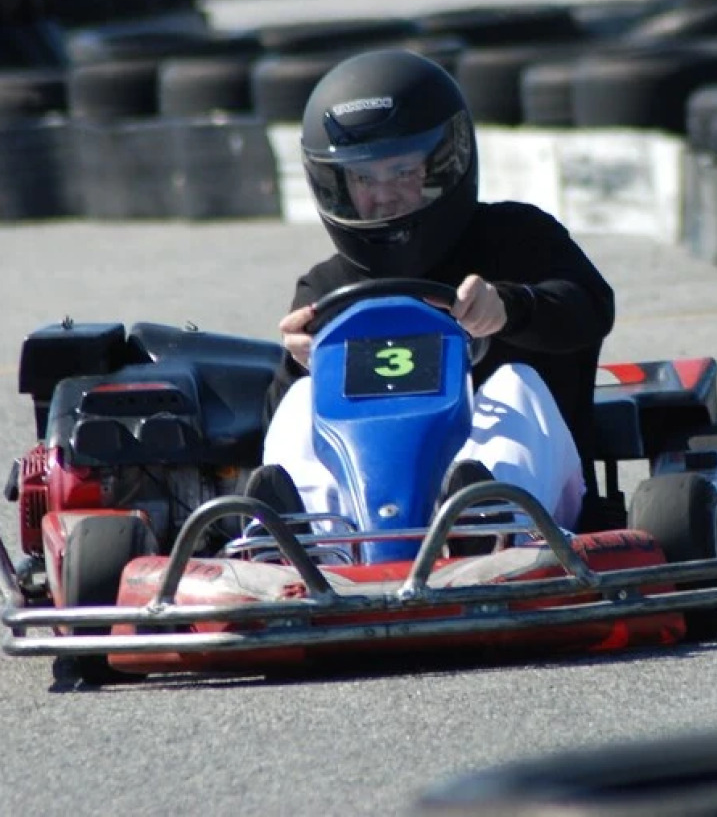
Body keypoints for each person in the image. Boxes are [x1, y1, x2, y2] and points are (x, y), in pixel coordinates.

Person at [252, 48, 615, 536]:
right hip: (361, 517)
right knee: (300, 402)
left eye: (402, 171)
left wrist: (509, 308)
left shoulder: (519, 237)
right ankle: (301, 538)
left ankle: (485, 518)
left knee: (513, 383)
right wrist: (298, 365)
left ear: (444, 162)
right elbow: (274, 428)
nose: (383, 195)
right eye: (363, 177)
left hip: (537, 516)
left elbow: (590, 307)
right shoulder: (326, 288)